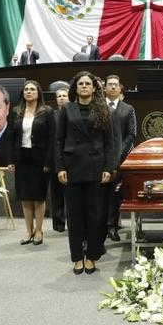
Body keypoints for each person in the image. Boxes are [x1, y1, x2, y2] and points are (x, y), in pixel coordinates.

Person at [56, 71, 115, 275]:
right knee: (74, 216)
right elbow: (58, 141)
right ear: (75, 87)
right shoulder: (66, 110)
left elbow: (110, 142)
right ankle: (77, 258)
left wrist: (109, 168)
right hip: (72, 168)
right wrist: (60, 167)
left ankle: (91, 256)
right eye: (80, 83)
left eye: (87, 83)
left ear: (94, 87)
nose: (84, 86)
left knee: (95, 216)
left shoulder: (103, 109)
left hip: (96, 168)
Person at [8, 80, 55, 246]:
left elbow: (52, 138)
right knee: (25, 196)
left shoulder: (47, 112)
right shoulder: (16, 111)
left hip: (40, 160)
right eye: (26, 89)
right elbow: (11, 137)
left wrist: (49, 160)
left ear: (38, 93)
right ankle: (29, 230)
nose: (29, 92)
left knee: (38, 197)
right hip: (22, 158)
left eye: (32, 89)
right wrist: (11, 160)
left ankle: (39, 230)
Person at [104, 75, 136, 242]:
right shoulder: (98, 107)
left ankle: (112, 226)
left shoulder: (127, 109)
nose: (113, 88)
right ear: (104, 88)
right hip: (99, 158)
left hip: (119, 159)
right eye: (110, 85)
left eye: (116, 85)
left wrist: (119, 153)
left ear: (120, 88)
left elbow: (131, 134)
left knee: (114, 194)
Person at [51, 87, 69, 232]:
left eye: (64, 95)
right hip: (55, 158)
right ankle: (58, 224)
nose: (62, 98)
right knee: (57, 193)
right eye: (59, 96)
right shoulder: (52, 115)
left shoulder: (73, 114)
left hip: (72, 158)